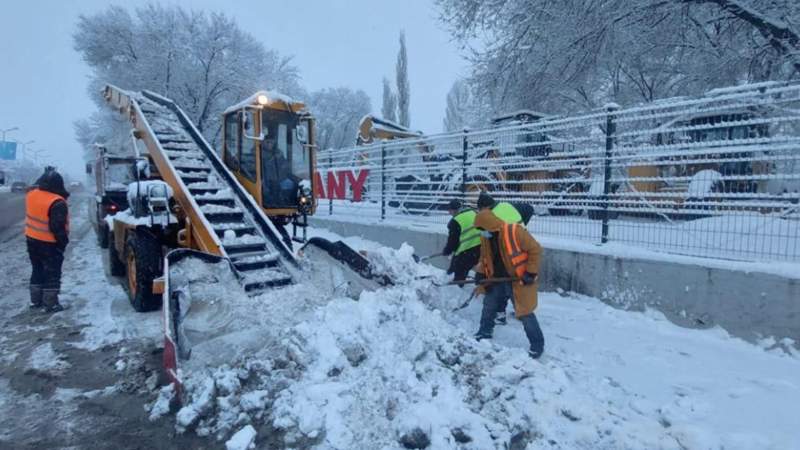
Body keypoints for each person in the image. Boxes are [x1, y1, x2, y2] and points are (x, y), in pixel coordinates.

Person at [473, 209, 545, 359]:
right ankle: (484, 331)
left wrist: (530, 272)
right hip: (496, 279)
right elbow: (484, 257)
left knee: (525, 312)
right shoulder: (486, 237)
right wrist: (480, 273)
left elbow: (535, 249)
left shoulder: (514, 231)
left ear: (490, 225)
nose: (482, 233)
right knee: (489, 306)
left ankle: (537, 345)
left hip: (517, 280)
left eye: (483, 229)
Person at [476, 191, 534, 324]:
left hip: (507, 255)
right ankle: (519, 313)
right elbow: (528, 209)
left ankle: (505, 315)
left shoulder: (490, 217)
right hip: (522, 250)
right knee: (514, 286)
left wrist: (482, 270)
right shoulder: (506, 206)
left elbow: (487, 248)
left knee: (501, 285)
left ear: (485, 208)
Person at [25, 168, 70, 313]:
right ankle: (51, 304)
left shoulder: (31, 195)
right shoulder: (57, 202)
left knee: (37, 269)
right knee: (52, 272)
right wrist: (63, 242)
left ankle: (35, 301)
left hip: (31, 239)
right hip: (49, 243)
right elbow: (57, 227)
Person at [441, 199, 481, 283]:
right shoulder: (473, 212)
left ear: (455, 210)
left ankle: (457, 285)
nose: (449, 213)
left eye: (450, 210)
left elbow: (452, 242)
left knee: (459, 268)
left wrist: (447, 251)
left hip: (468, 250)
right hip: (482, 247)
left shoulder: (455, 222)